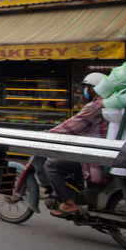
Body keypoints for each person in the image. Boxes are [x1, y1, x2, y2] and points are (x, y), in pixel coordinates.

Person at [45, 72, 108, 217]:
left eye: (87, 87)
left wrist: (49, 133)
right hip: (105, 152)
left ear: (93, 89)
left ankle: (68, 203)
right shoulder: (112, 103)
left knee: (51, 165)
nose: (85, 91)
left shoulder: (95, 106)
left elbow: (72, 126)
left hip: (93, 156)